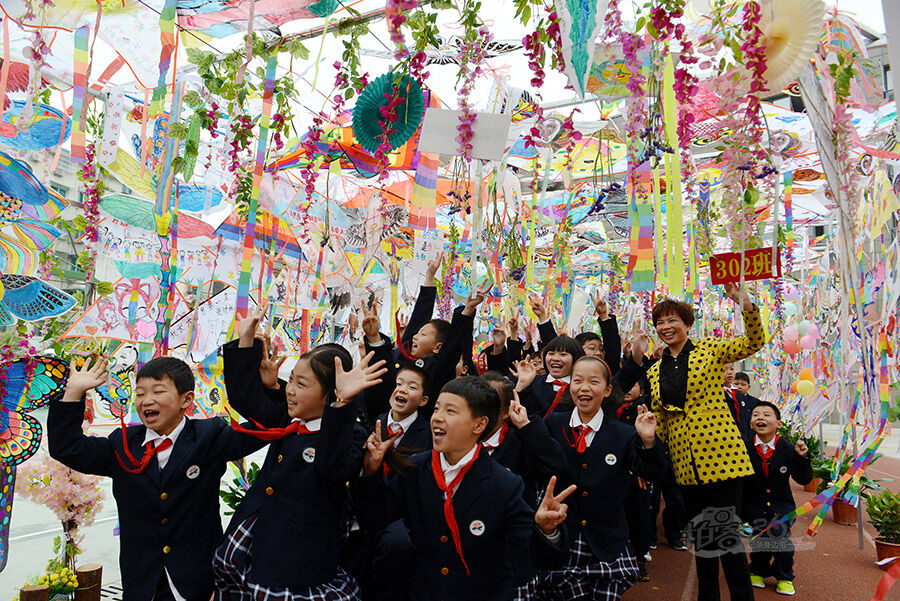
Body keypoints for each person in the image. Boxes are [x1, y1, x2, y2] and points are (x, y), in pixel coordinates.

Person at [48, 355, 267, 601]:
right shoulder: (122, 444)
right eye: (140, 394)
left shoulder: (209, 437)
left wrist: (268, 385)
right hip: (142, 583)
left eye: (158, 391)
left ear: (187, 399)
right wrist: (73, 392)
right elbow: (66, 447)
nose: (146, 401)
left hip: (200, 582)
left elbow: (265, 429)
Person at [213, 306, 387, 599]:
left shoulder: (351, 433)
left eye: (300, 383)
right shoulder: (290, 419)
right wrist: (245, 343)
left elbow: (331, 469)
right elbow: (246, 400)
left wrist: (342, 407)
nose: (290, 389)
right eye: (291, 379)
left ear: (331, 393)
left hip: (300, 557)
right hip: (259, 536)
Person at [354, 376, 574, 601]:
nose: (437, 417)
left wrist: (546, 530)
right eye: (437, 408)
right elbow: (376, 521)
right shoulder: (414, 469)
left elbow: (533, 556)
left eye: (451, 411)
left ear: (479, 424)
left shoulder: (504, 484)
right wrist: (370, 471)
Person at [644, 282, 765, 601]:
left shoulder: (710, 350)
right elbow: (661, 419)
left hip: (722, 458)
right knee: (703, 540)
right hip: (685, 465)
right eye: (660, 322)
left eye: (672, 320)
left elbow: (754, 341)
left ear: (687, 324)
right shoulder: (655, 370)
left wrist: (745, 303)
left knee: (726, 538)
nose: (665, 327)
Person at [534, 356, 663, 600]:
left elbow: (651, 472)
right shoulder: (552, 424)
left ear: (607, 390)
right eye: (577, 380)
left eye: (593, 381)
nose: (584, 388)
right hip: (564, 539)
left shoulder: (623, 434)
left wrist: (648, 441)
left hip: (607, 542)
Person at [742, 401, 812, 596]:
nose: (761, 418)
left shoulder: (789, 449)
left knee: (781, 537)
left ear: (779, 423)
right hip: (753, 505)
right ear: (750, 423)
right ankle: (757, 569)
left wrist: (802, 458)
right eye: (756, 415)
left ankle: (784, 576)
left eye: (767, 414)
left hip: (782, 506)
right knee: (760, 535)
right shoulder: (743, 447)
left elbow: (803, 478)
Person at [479, 370, 566, 506]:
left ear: (506, 411)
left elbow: (555, 465)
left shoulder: (521, 441)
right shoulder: (460, 438)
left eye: (489, 404)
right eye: (475, 402)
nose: (479, 410)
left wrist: (524, 425)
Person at [513, 335, 585, 418]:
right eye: (551, 354)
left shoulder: (580, 387)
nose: (555, 358)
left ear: (576, 359)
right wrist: (521, 385)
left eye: (563, 354)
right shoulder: (533, 382)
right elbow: (514, 415)